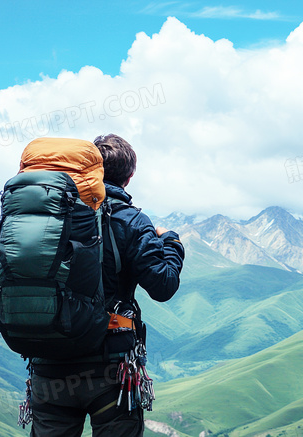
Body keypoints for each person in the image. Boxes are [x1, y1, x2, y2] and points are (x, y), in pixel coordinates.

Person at [28, 134, 185, 437]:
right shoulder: (131, 221)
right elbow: (163, 285)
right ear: (130, 176)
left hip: (49, 363)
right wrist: (170, 242)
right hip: (110, 369)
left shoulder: (51, 217)